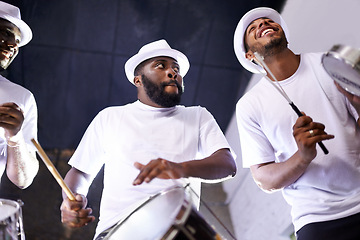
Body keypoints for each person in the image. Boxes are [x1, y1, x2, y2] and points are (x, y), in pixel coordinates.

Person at [60, 39, 236, 239]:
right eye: (161, 66)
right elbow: (81, 172)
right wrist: (71, 199)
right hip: (116, 231)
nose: (173, 72)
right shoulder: (110, 117)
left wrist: (181, 168)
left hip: (178, 227)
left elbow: (227, 164)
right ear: (139, 80)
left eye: (175, 68)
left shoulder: (198, 116)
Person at [234, 7, 360, 240]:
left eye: (268, 21)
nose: (263, 24)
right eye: (253, 28)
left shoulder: (327, 64)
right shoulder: (249, 105)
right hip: (317, 219)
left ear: (284, 34)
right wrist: (302, 156)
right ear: (250, 56)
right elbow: (264, 179)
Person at [0, 1, 39, 189]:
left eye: (17, 42)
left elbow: (23, 180)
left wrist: (15, 138)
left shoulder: (19, 98)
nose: (12, 46)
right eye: (5, 33)